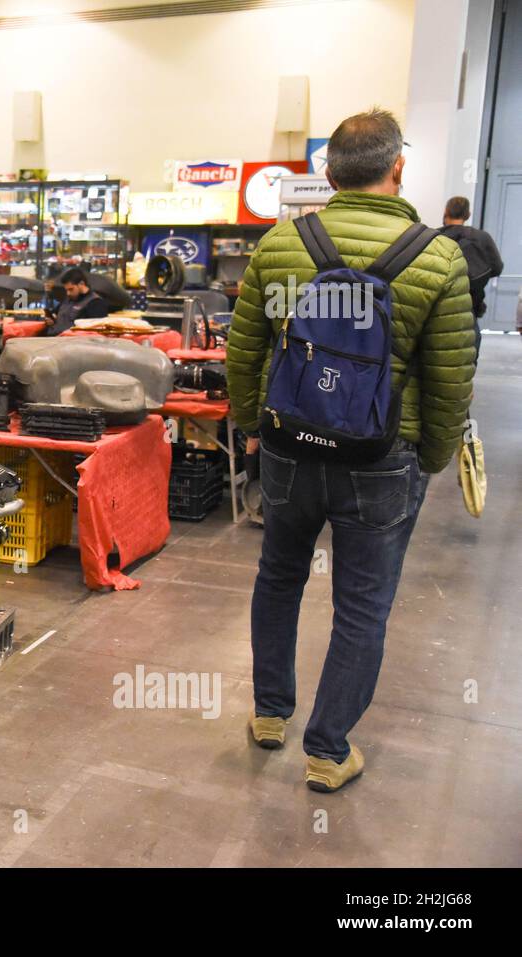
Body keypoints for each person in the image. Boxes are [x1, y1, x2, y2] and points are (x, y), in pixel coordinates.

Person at [226, 109, 476, 793]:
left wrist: (252, 424)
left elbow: (244, 349)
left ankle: (271, 712)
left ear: (328, 174)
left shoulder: (280, 245)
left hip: (288, 449)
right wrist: (433, 457)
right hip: (382, 457)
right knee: (362, 603)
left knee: (279, 574)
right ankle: (328, 751)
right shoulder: (438, 257)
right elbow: (452, 373)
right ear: (399, 169)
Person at [438, 195, 504, 358]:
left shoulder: (433, 237)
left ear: (446, 211)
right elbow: (496, 268)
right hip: (469, 304)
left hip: (437, 304)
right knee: (468, 355)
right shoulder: (482, 238)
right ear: (467, 215)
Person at [46, 266, 111, 335]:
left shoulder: (96, 303)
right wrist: (51, 320)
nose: (68, 293)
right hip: (55, 338)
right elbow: (55, 314)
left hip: (73, 342)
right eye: (66, 290)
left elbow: (96, 333)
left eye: (71, 289)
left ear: (81, 284)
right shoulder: (68, 300)